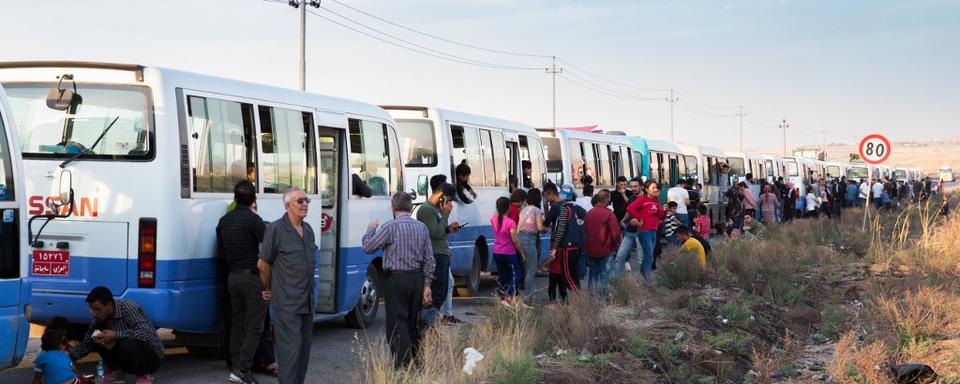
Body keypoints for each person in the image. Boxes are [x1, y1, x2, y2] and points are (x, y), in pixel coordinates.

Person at [362, 192, 435, 368]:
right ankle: (416, 363)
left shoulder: (390, 227)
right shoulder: (422, 228)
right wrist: (427, 285)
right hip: (417, 279)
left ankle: (402, 366)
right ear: (411, 208)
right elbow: (430, 260)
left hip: (395, 280)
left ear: (393, 207)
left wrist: (371, 228)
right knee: (413, 322)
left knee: (397, 323)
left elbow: (368, 247)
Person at [258, 188, 318, 384]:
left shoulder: (308, 229)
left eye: (306, 200)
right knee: (289, 353)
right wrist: (267, 288)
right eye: (299, 201)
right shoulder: (275, 229)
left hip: (307, 301)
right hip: (287, 303)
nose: (304, 204)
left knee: (303, 353)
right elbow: (263, 264)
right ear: (287, 205)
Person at [216, 180, 267, 384]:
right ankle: (243, 370)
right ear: (254, 199)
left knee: (237, 323)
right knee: (254, 326)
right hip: (252, 277)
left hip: (232, 277)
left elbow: (221, 253)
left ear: (234, 198)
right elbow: (268, 246)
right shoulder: (254, 221)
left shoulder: (223, 221)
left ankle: (236, 365)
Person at [70, 287, 163, 384]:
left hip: (151, 357)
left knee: (126, 343)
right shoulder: (99, 319)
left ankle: (144, 377)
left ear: (109, 305)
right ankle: (116, 372)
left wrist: (115, 335)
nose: (93, 313)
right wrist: (68, 356)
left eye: (97, 309)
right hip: (128, 358)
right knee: (97, 336)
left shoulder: (128, 308)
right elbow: (87, 343)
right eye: (91, 309)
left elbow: (146, 333)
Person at [416, 175, 462, 311]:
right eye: (449, 200)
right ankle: (429, 323)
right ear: (441, 195)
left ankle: (433, 321)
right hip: (435, 254)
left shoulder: (436, 209)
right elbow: (434, 233)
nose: (450, 204)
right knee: (438, 292)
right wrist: (446, 215)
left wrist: (448, 229)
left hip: (441, 252)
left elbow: (439, 231)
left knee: (442, 290)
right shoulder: (427, 209)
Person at [543, 183, 587, 297]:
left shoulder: (562, 208)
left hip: (567, 246)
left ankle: (581, 301)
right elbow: (586, 217)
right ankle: (578, 300)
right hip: (577, 245)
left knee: (567, 277)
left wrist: (555, 247)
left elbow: (560, 229)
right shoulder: (575, 206)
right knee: (574, 275)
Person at [625, 180, 665, 282]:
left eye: (656, 187)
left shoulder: (656, 200)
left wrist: (664, 209)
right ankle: (646, 278)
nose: (656, 190)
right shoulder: (642, 199)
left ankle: (643, 277)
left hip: (653, 230)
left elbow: (660, 216)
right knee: (649, 254)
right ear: (647, 190)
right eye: (653, 188)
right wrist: (639, 218)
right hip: (644, 230)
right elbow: (630, 208)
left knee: (650, 254)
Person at [584, 190, 620, 299]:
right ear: (606, 199)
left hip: (590, 248)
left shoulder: (589, 213)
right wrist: (617, 245)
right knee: (603, 274)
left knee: (593, 273)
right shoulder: (609, 214)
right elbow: (615, 232)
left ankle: (592, 296)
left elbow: (584, 230)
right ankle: (601, 297)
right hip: (606, 248)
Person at [491, 197, 524, 301]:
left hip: (497, 252)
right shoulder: (511, 223)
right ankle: (508, 296)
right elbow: (515, 240)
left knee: (503, 275)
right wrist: (522, 253)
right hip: (509, 253)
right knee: (516, 275)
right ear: (508, 207)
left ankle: (501, 296)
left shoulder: (493, 219)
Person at [610, 179, 643, 279]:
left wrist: (638, 221)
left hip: (641, 231)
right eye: (631, 186)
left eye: (635, 186)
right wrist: (623, 220)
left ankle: (644, 282)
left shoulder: (646, 198)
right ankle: (615, 280)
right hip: (630, 230)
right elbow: (629, 210)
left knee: (640, 258)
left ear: (641, 186)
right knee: (620, 256)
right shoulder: (632, 197)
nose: (633, 189)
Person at [518, 188, 546, 300]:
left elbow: (519, 227)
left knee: (525, 269)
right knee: (531, 269)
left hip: (520, 239)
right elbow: (539, 227)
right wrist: (546, 229)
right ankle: (527, 296)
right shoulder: (537, 211)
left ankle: (528, 293)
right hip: (530, 240)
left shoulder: (523, 210)